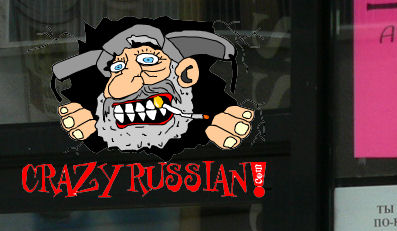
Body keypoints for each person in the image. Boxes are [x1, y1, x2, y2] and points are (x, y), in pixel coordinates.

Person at [51, 19, 254, 154]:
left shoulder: (199, 118)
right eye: (118, 67)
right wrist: (83, 132)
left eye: (148, 60)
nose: (127, 79)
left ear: (186, 73)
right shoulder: (104, 123)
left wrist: (218, 127)